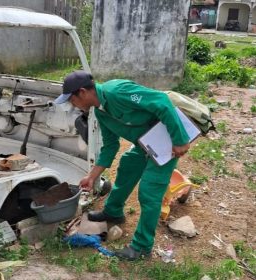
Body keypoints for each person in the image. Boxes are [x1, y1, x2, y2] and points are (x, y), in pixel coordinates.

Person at [54, 70, 190, 261]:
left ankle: (142, 247)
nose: (72, 105)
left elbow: (161, 102)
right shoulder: (100, 112)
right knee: (127, 165)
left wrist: (179, 139)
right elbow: (111, 146)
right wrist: (92, 176)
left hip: (166, 141)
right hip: (145, 144)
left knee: (149, 191)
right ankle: (113, 212)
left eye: (72, 100)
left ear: (82, 92)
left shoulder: (117, 91)